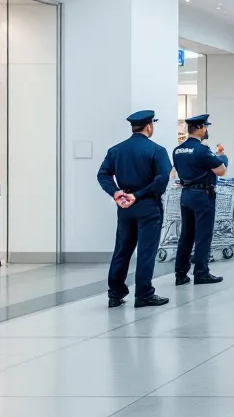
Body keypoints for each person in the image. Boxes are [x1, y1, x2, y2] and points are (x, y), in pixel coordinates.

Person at [97, 110, 172, 308]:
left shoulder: (116, 150)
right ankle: (144, 294)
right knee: (146, 251)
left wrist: (116, 193)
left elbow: (102, 175)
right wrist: (138, 195)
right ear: (149, 126)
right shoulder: (157, 150)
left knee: (122, 250)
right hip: (148, 205)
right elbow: (162, 179)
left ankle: (115, 293)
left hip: (125, 208)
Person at [171, 113, 227, 287]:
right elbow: (221, 170)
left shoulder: (178, 150)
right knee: (203, 235)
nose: (207, 130)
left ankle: (180, 273)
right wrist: (222, 157)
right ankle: (201, 272)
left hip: (186, 194)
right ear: (200, 128)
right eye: (206, 127)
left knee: (186, 235)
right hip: (203, 196)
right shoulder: (202, 150)